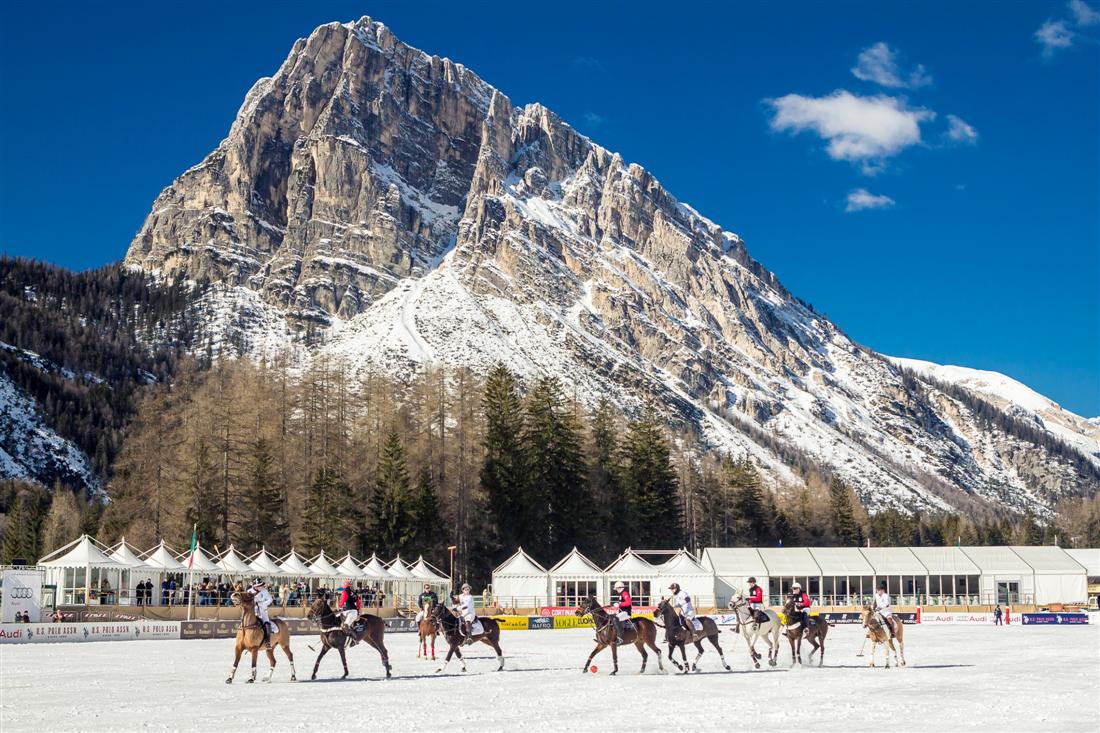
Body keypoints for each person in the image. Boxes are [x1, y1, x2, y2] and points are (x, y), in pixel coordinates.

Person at [250, 580, 277, 649]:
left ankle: (267, 642)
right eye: (259, 585)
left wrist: (262, 604)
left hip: (262, 610)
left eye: (261, 585)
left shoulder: (265, 591)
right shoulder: (249, 591)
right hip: (252, 610)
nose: (261, 587)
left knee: (266, 623)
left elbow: (270, 600)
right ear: (255, 586)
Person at [338, 580, 362, 645]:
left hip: (349, 612)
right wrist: (358, 609)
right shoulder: (354, 592)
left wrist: (340, 606)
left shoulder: (345, 592)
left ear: (344, 585)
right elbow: (359, 602)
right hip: (353, 612)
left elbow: (342, 600)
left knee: (345, 626)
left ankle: (355, 639)